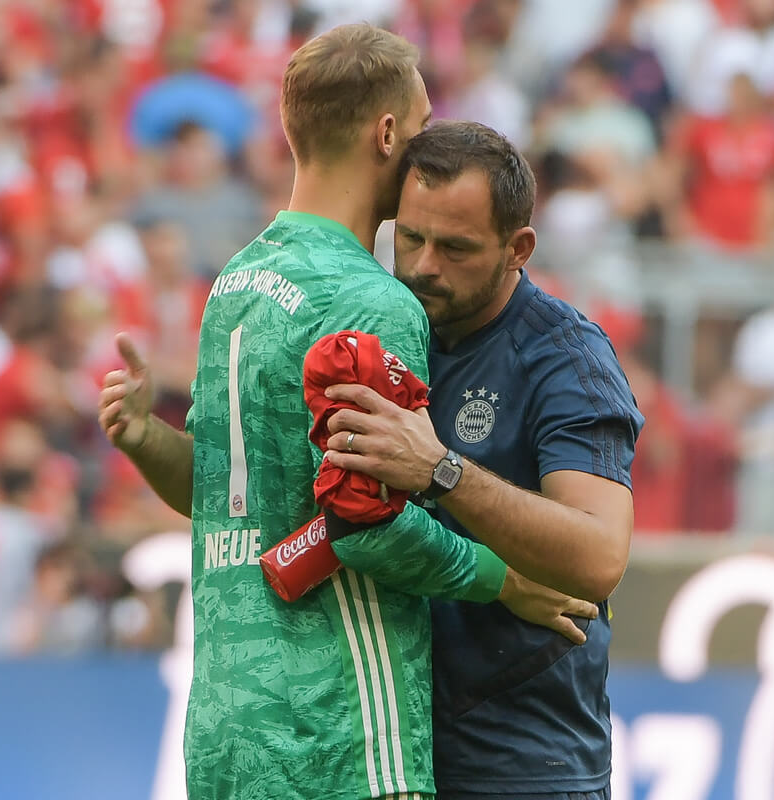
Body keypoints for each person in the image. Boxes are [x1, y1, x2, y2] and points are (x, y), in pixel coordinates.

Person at [97, 24, 593, 800]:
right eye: (422, 125)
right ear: (387, 132)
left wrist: (144, 439)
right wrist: (508, 581)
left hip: (228, 728)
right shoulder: (369, 300)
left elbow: (222, 496)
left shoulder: (235, 282)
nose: (427, 148)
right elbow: (368, 529)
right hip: (338, 727)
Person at [322, 121, 644, 799]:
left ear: (517, 248)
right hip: (383, 753)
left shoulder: (566, 358)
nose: (423, 265)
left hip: (522, 763)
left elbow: (597, 557)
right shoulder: (380, 330)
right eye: (409, 238)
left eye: (456, 247)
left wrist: (442, 472)